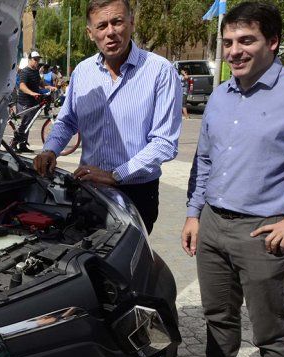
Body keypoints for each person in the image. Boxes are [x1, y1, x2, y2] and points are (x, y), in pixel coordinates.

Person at [173, 3, 284, 357]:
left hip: (266, 232)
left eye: (246, 40)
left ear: (272, 42)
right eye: (229, 41)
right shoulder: (220, 93)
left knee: (270, 330)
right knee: (218, 315)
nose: (234, 51)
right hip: (214, 223)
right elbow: (205, 159)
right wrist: (194, 213)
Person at [33, 0, 181, 234]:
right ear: (90, 33)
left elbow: (164, 143)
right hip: (89, 190)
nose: (110, 32)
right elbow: (67, 120)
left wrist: (115, 175)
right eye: (102, 26)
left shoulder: (159, 71)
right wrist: (50, 149)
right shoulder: (82, 72)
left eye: (117, 22)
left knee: (125, 264)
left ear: (131, 23)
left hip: (136, 192)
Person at [14, 51, 56, 153]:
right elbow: (22, 86)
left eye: (38, 59)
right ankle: (14, 143)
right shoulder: (25, 71)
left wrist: (49, 86)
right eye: (35, 59)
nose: (37, 61)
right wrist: (32, 93)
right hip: (25, 101)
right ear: (30, 59)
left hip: (34, 101)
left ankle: (23, 145)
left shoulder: (36, 71)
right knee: (25, 123)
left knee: (29, 124)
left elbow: (40, 83)